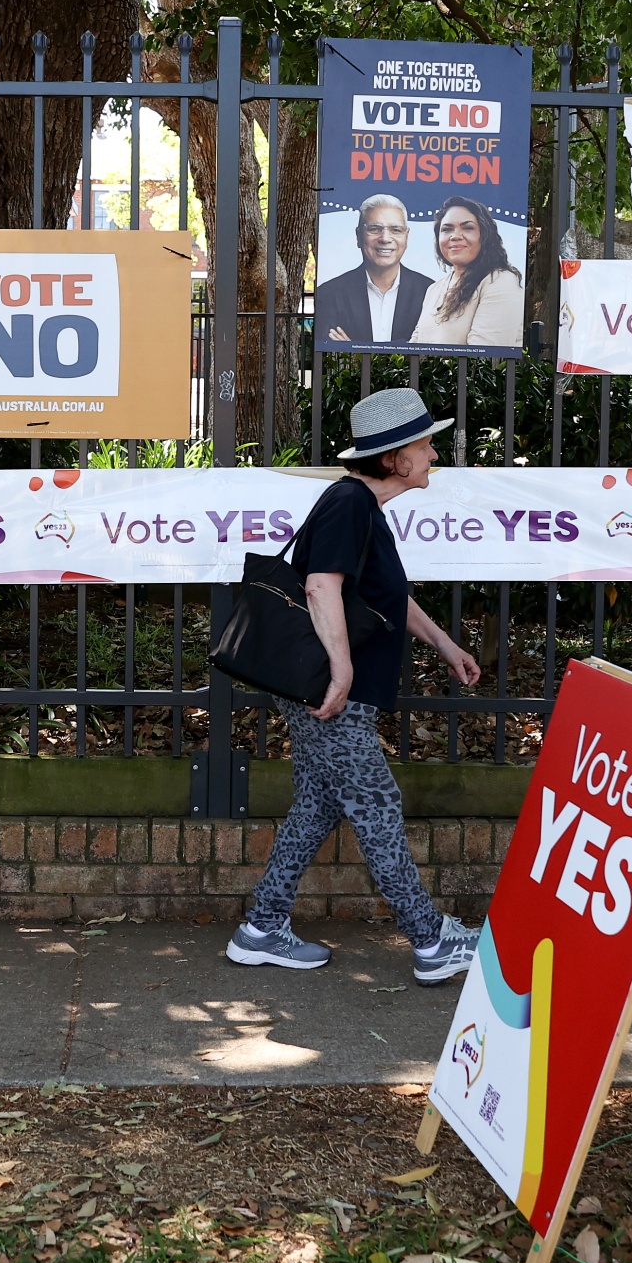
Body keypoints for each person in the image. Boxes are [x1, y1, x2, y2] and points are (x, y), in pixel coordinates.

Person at [226, 388, 485, 985]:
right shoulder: (349, 503)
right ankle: (430, 942)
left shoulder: (363, 507)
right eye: (424, 444)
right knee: (378, 807)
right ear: (395, 458)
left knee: (317, 807)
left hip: (329, 695)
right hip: (332, 696)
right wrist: (342, 673)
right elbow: (320, 587)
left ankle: (262, 929)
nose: (434, 453)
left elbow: (383, 599)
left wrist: (444, 644)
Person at [313, 195, 434, 347]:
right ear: (358, 236)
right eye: (374, 229)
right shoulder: (329, 294)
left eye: (395, 230)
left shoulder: (430, 293)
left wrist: (356, 352)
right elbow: (330, 356)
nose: (385, 238)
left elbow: (430, 352)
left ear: (406, 237)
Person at [410, 195, 525, 350]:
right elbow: (414, 347)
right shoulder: (434, 289)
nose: (456, 236)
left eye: (467, 228)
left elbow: (484, 358)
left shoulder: (500, 281)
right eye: (447, 229)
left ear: (484, 236)